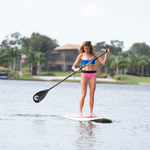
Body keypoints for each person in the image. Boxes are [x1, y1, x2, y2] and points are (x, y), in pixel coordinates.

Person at [71, 41, 110, 117]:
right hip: (84, 74)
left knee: (92, 95)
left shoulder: (94, 54)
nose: (87, 50)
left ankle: (91, 112)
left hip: (92, 74)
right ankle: (80, 112)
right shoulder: (81, 55)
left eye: (88, 48)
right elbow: (73, 66)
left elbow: (103, 63)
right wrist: (76, 69)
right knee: (83, 94)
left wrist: (106, 55)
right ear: (83, 48)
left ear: (90, 48)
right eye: (85, 48)